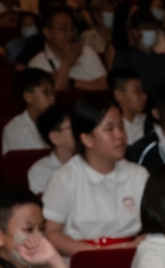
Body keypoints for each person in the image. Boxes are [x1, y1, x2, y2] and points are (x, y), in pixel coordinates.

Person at [41, 96, 149, 256]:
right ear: (87, 139)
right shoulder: (65, 178)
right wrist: (100, 254)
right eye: (109, 129)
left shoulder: (139, 175)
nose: (120, 135)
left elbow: (157, 226)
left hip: (132, 256)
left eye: (121, 127)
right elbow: (52, 233)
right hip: (83, 259)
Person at [26, 6, 108, 93]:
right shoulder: (36, 64)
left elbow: (105, 85)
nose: (70, 34)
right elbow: (51, 95)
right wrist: (66, 63)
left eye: (72, 29)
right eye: (63, 29)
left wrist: (72, 83)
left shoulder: (86, 52)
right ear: (47, 33)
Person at [2, 68, 59, 154]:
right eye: (46, 93)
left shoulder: (60, 123)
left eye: (53, 93)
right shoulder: (14, 129)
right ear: (28, 97)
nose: (52, 98)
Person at [28, 103, 75, 196]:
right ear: (55, 138)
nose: (80, 132)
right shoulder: (40, 171)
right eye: (73, 127)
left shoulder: (91, 162)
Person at [109, 70, 149, 146]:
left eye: (142, 91)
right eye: (137, 91)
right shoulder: (111, 128)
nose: (144, 96)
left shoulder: (149, 122)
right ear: (119, 95)